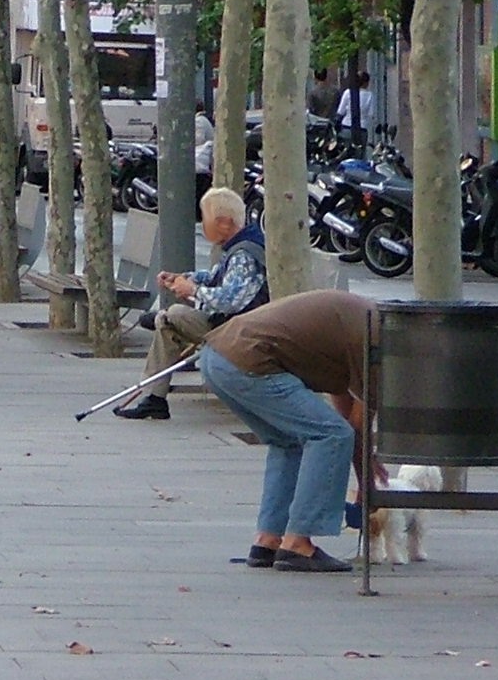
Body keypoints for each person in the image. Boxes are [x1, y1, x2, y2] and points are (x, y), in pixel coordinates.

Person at [199, 287, 376, 572]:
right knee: (331, 435)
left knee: (288, 441)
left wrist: (365, 470)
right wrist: (367, 481)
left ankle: (268, 539)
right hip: (248, 360)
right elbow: (353, 426)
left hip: (215, 356)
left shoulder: (360, 319)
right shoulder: (380, 340)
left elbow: (346, 398)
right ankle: (297, 544)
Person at [114, 187, 269, 420]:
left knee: (172, 315)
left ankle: (154, 394)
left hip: (237, 330)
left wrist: (193, 290)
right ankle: (154, 397)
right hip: (231, 325)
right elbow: (215, 276)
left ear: (225, 223)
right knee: (168, 324)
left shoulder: (244, 255)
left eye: (205, 219)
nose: (203, 225)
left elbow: (231, 300)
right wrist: (184, 277)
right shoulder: (239, 247)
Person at [334, 71, 375, 144]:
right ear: (366, 83)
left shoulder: (348, 92)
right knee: (360, 153)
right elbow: (371, 114)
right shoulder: (370, 95)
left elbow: (340, 111)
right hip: (362, 129)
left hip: (346, 127)